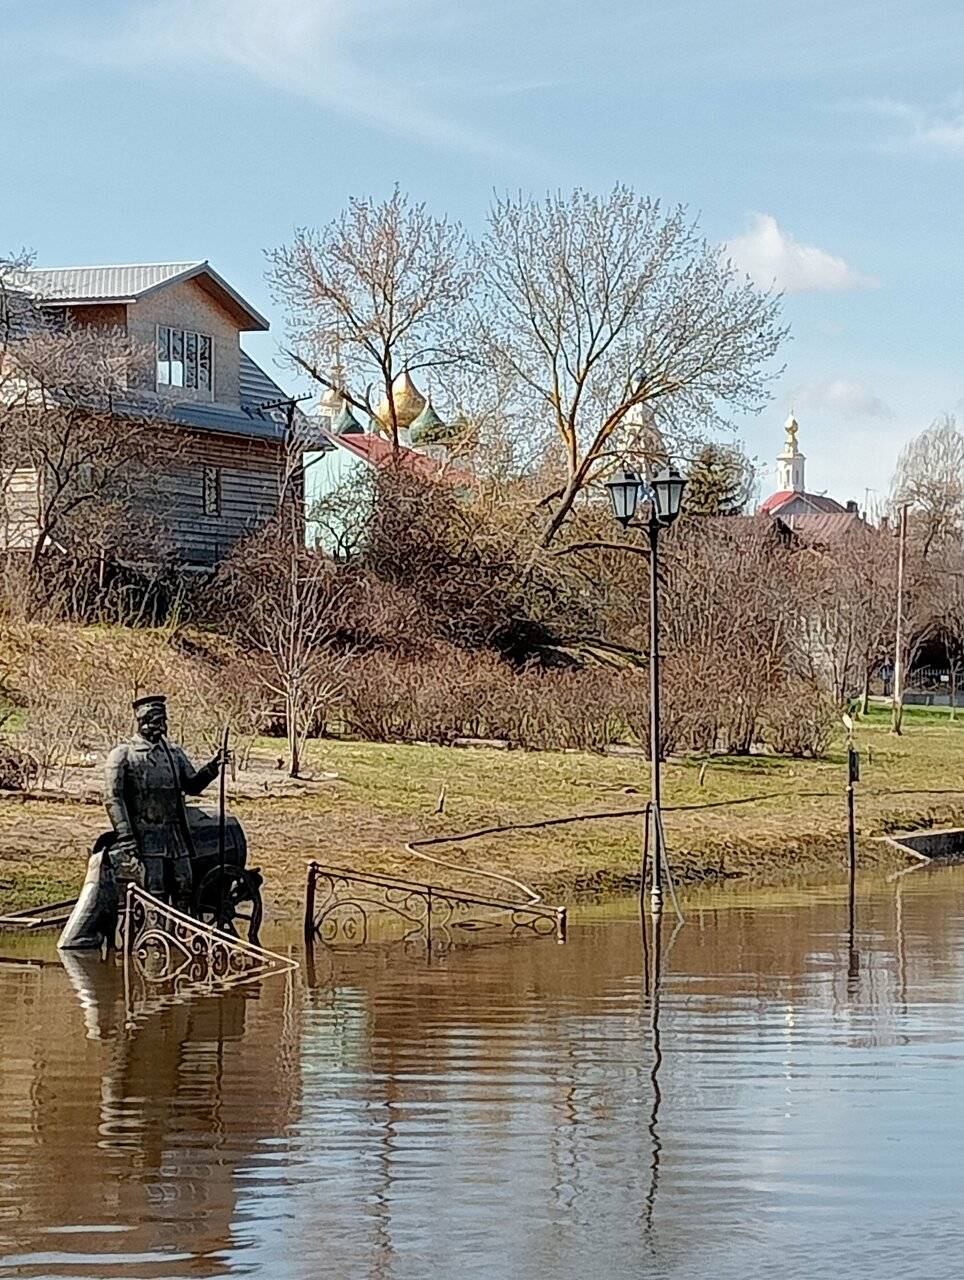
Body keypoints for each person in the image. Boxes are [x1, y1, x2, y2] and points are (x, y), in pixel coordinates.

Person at [104, 695, 224, 912]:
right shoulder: (123, 755)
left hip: (176, 834)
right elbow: (113, 798)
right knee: (154, 889)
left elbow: (192, 786)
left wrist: (212, 767)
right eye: (158, 721)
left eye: (164, 721)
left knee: (184, 885)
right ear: (143, 722)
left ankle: (178, 939)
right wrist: (126, 837)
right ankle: (152, 937)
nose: (163, 727)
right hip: (146, 835)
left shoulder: (174, 753)